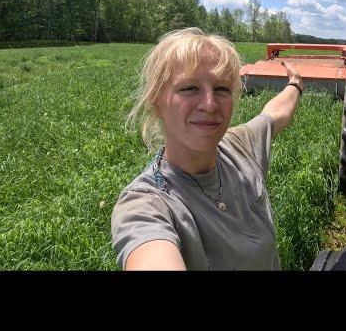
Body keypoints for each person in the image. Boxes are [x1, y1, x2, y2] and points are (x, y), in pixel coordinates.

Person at [111, 27, 303, 270]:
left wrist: (295, 84)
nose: (210, 104)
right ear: (157, 101)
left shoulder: (239, 147)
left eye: (222, 89)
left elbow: (275, 114)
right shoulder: (147, 204)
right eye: (189, 88)